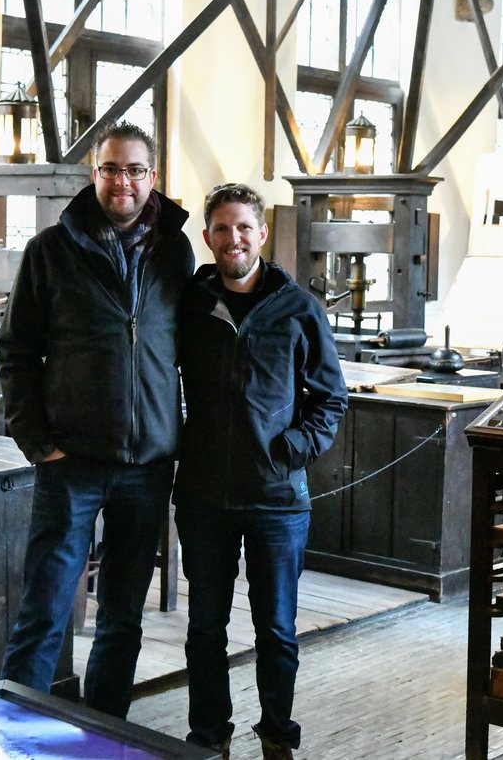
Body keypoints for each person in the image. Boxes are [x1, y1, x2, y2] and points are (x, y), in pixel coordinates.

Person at [0, 121, 194, 719]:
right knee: (46, 610)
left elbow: (188, 350)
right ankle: (17, 735)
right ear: (94, 173)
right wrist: (37, 441)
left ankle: (105, 734)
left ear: (152, 178)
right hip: (71, 464)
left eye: (135, 170)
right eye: (111, 169)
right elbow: (16, 351)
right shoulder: (50, 251)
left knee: (122, 617)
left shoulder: (176, 252)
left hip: (148, 465)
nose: (122, 182)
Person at [174, 183, 348, 759]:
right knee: (205, 630)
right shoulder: (191, 305)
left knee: (276, 631)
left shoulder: (299, 309)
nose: (233, 239)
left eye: (244, 227)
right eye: (221, 229)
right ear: (207, 237)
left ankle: (278, 737)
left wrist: (290, 450)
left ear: (262, 233)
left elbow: (331, 399)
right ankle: (209, 737)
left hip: (277, 499)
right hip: (203, 495)